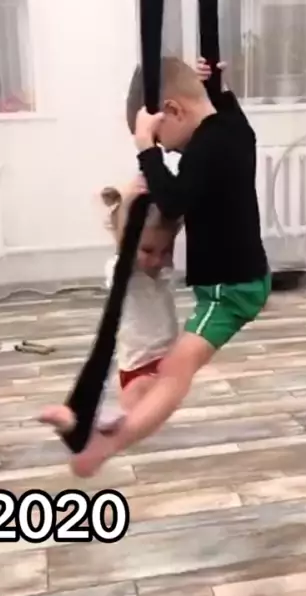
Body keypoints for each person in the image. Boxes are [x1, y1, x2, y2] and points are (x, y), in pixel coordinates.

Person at [66, 56, 270, 477]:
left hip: (230, 291)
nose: (168, 150)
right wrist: (217, 85)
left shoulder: (205, 149)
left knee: (176, 371)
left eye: (163, 140)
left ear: (173, 110)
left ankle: (111, 442)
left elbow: (174, 200)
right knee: (173, 368)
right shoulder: (234, 131)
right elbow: (223, 108)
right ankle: (117, 430)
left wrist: (145, 151)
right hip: (239, 281)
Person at [39, 177, 180, 433]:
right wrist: (127, 202)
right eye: (148, 251)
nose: (157, 260)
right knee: (132, 417)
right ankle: (80, 424)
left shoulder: (161, 270)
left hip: (165, 358)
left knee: (145, 416)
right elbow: (127, 243)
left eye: (165, 251)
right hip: (138, 364)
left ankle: (87, 424)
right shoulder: (123, 272)